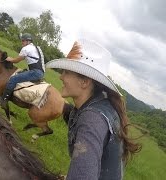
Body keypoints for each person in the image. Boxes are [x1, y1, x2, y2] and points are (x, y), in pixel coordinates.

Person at [46, 39, 141, 180]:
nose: (61, 77)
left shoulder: (92, 118)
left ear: (84, 82)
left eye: (66, 72)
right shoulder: (101, 104)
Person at [0, 33, 45, 109]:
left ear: (28, 41)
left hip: (35, 72)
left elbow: (16, 60)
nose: (21, 42)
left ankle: (3, 100)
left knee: (13, 79)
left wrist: (9, 59)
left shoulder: (26, 48)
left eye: (23, 41)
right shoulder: (35, 48)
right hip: (40, 72)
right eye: (22, 41)